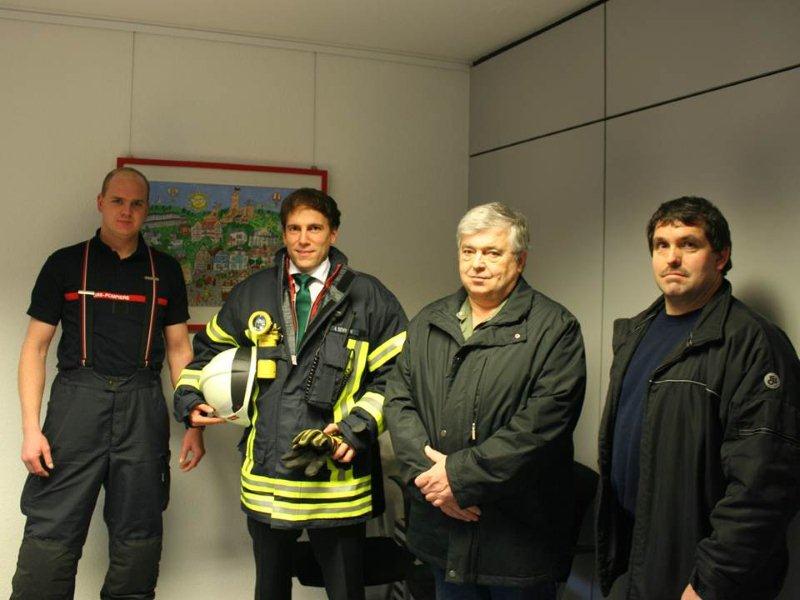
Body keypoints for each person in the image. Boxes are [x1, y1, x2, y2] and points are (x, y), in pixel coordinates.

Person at [173, 188, 407, 600]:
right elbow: (204, 354)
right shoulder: (252, 293)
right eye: (294, 229)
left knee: (346, 593)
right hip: (267, 475)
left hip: (337, 481)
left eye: (314, 228)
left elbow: (398, 378)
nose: (303, 239)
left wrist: (356, 428)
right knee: (269, 590)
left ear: (333, 233)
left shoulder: (369, 298)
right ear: (283, 233)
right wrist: (190, 401)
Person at [10, 167, 204, 600]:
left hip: (142, 407)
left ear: (146, 210)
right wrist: (31, 430)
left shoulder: (165, 270)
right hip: (76, 408)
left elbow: (179, 350)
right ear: (101, 203)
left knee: (139, 535)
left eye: (136, 203)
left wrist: (193, 423)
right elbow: (35, 349)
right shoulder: (64, 264)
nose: (126, 211)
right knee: (52, 528)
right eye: (117, 201)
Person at [596, 196, 800, 600]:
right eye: (662, 245)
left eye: (689, 244)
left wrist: (711, 582)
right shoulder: (635, 336)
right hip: (639, 561)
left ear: (720, 257)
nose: (672, 257)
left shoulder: (754, 344)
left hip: (702, 576)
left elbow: (764, 485)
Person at [384, 202, 586, 599]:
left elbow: (542, 426)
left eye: (492, 253)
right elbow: (398, 402)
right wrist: (434, 483)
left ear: (520, 261)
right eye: (468, 251)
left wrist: (458, 479)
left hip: (516, 540)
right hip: (442, 530)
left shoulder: (554, 329)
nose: (477, 263)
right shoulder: (428, 322)